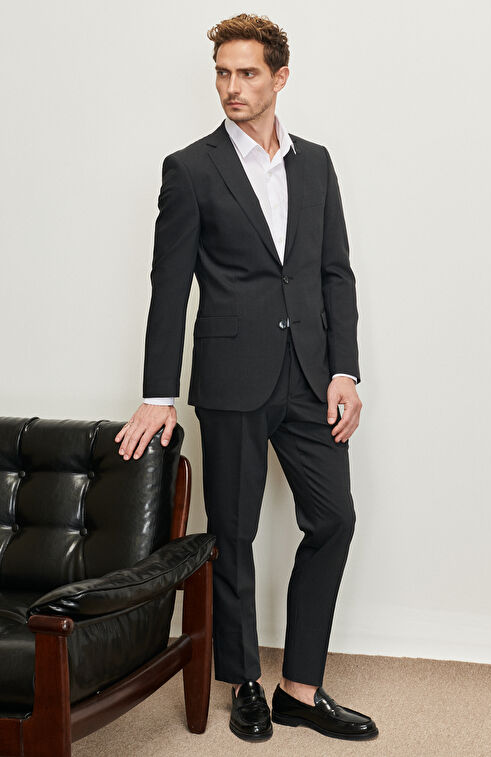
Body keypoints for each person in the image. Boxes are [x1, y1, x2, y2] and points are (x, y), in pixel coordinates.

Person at [114, 12, 378, 743]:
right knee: (232, 533)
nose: (232, 87)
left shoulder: (315, 163)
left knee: (334, 518)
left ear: (279, 77)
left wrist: (344, 370)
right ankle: (244, 682)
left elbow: (334, 273)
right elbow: (169, 286)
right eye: (222, 73)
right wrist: (157, 394)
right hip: (231, 377)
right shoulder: (190, 168)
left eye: (247, 73)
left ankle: (300, 687)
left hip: (311, 377)